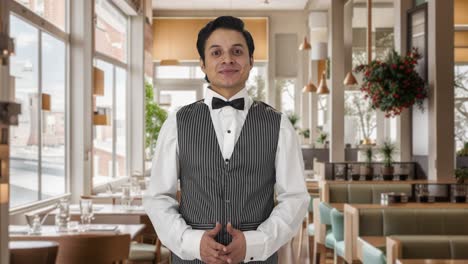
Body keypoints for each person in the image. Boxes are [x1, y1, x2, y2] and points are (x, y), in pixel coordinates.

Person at [144, 16, 309, 264]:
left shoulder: (279, 125)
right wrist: (191, 242)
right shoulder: (177, 123)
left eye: (237, 51)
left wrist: (256, 242)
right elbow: (158, 198)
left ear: (251, 61)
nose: (227, 59)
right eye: (216, 52)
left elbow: (295, 198)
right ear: (202, 63)